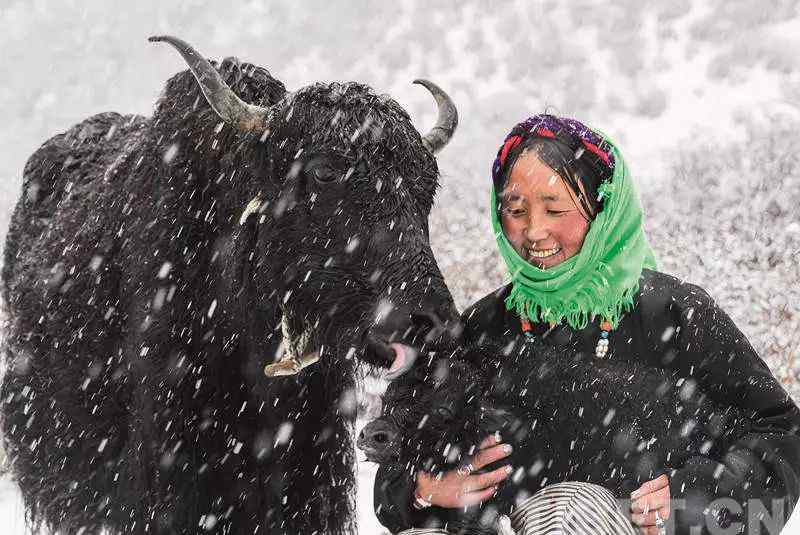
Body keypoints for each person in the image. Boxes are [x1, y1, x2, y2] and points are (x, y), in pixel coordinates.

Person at [373, 114, 800, 535]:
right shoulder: (483, 327)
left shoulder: (675, 313)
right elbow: (394, 465)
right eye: (515, 210)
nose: (534, 231)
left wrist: (698, 500)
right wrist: (423, 488)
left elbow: (783, 433)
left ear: (602, 208)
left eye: (555, 208)